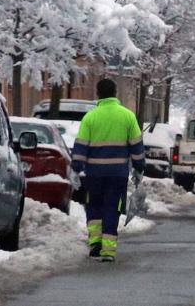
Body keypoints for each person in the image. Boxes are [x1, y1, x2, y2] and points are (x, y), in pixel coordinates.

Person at [70, 79, 145, 262]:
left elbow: (81, 147)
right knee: (112, 208)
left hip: (94, 174)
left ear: (98, 93)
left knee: (94, 207)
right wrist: (139, 168)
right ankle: (109, 250)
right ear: (115, 92)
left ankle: (95, 244)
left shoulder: (91, 117)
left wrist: (76, 169)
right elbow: (136, 146)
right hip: (117, 175)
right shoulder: (127, 116)